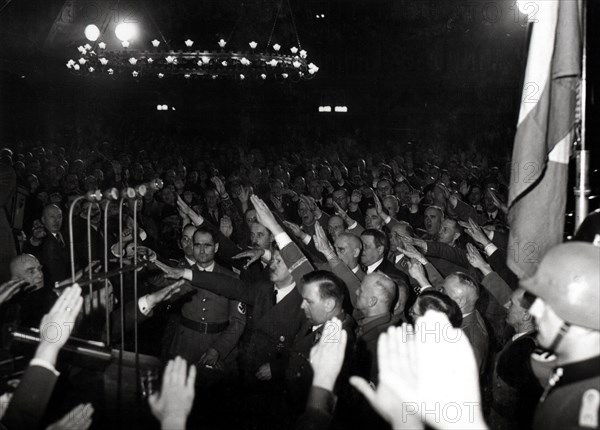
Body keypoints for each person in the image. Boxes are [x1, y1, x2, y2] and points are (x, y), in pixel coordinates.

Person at [520, 242, 600, 430]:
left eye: (547, 303)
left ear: (580, 316)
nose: (535, 310)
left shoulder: (579, 407)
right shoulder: (573, 371)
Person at [165, 226, 246, 369]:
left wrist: (218, 349)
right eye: (197, 245)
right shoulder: (181, 273)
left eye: (207, 245)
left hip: (217, 343)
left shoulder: (231, 278)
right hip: (185, 346)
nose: (201, 250)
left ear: (216, 247)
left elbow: (238, 322)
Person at [354, 272, 398, 383]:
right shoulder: (388, 324)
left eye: (361, 290)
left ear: (371, 301)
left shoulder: (377, 346)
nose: (356, 292)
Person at [443, 272, 489, 374]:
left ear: (459, 301)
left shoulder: (468, 345)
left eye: (443, 292)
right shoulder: (471, 312)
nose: (439, 294)